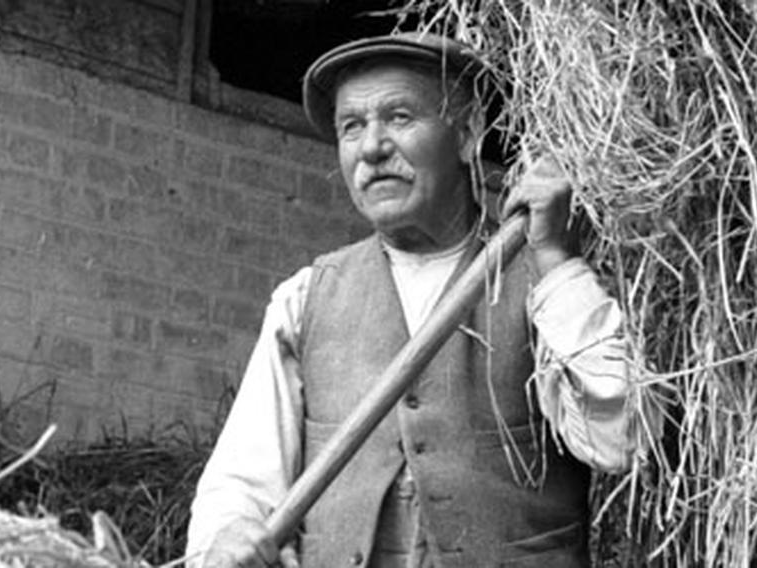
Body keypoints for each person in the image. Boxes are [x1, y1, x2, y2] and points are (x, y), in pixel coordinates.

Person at [186, 32, 636, 568]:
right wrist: (233, 531)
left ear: (468, 134)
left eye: (399, 117)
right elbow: (241, 484)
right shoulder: (305, 300)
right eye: (351, 126)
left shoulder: (545, 282)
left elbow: (620, 440)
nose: (372, 147)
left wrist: (557, 260)